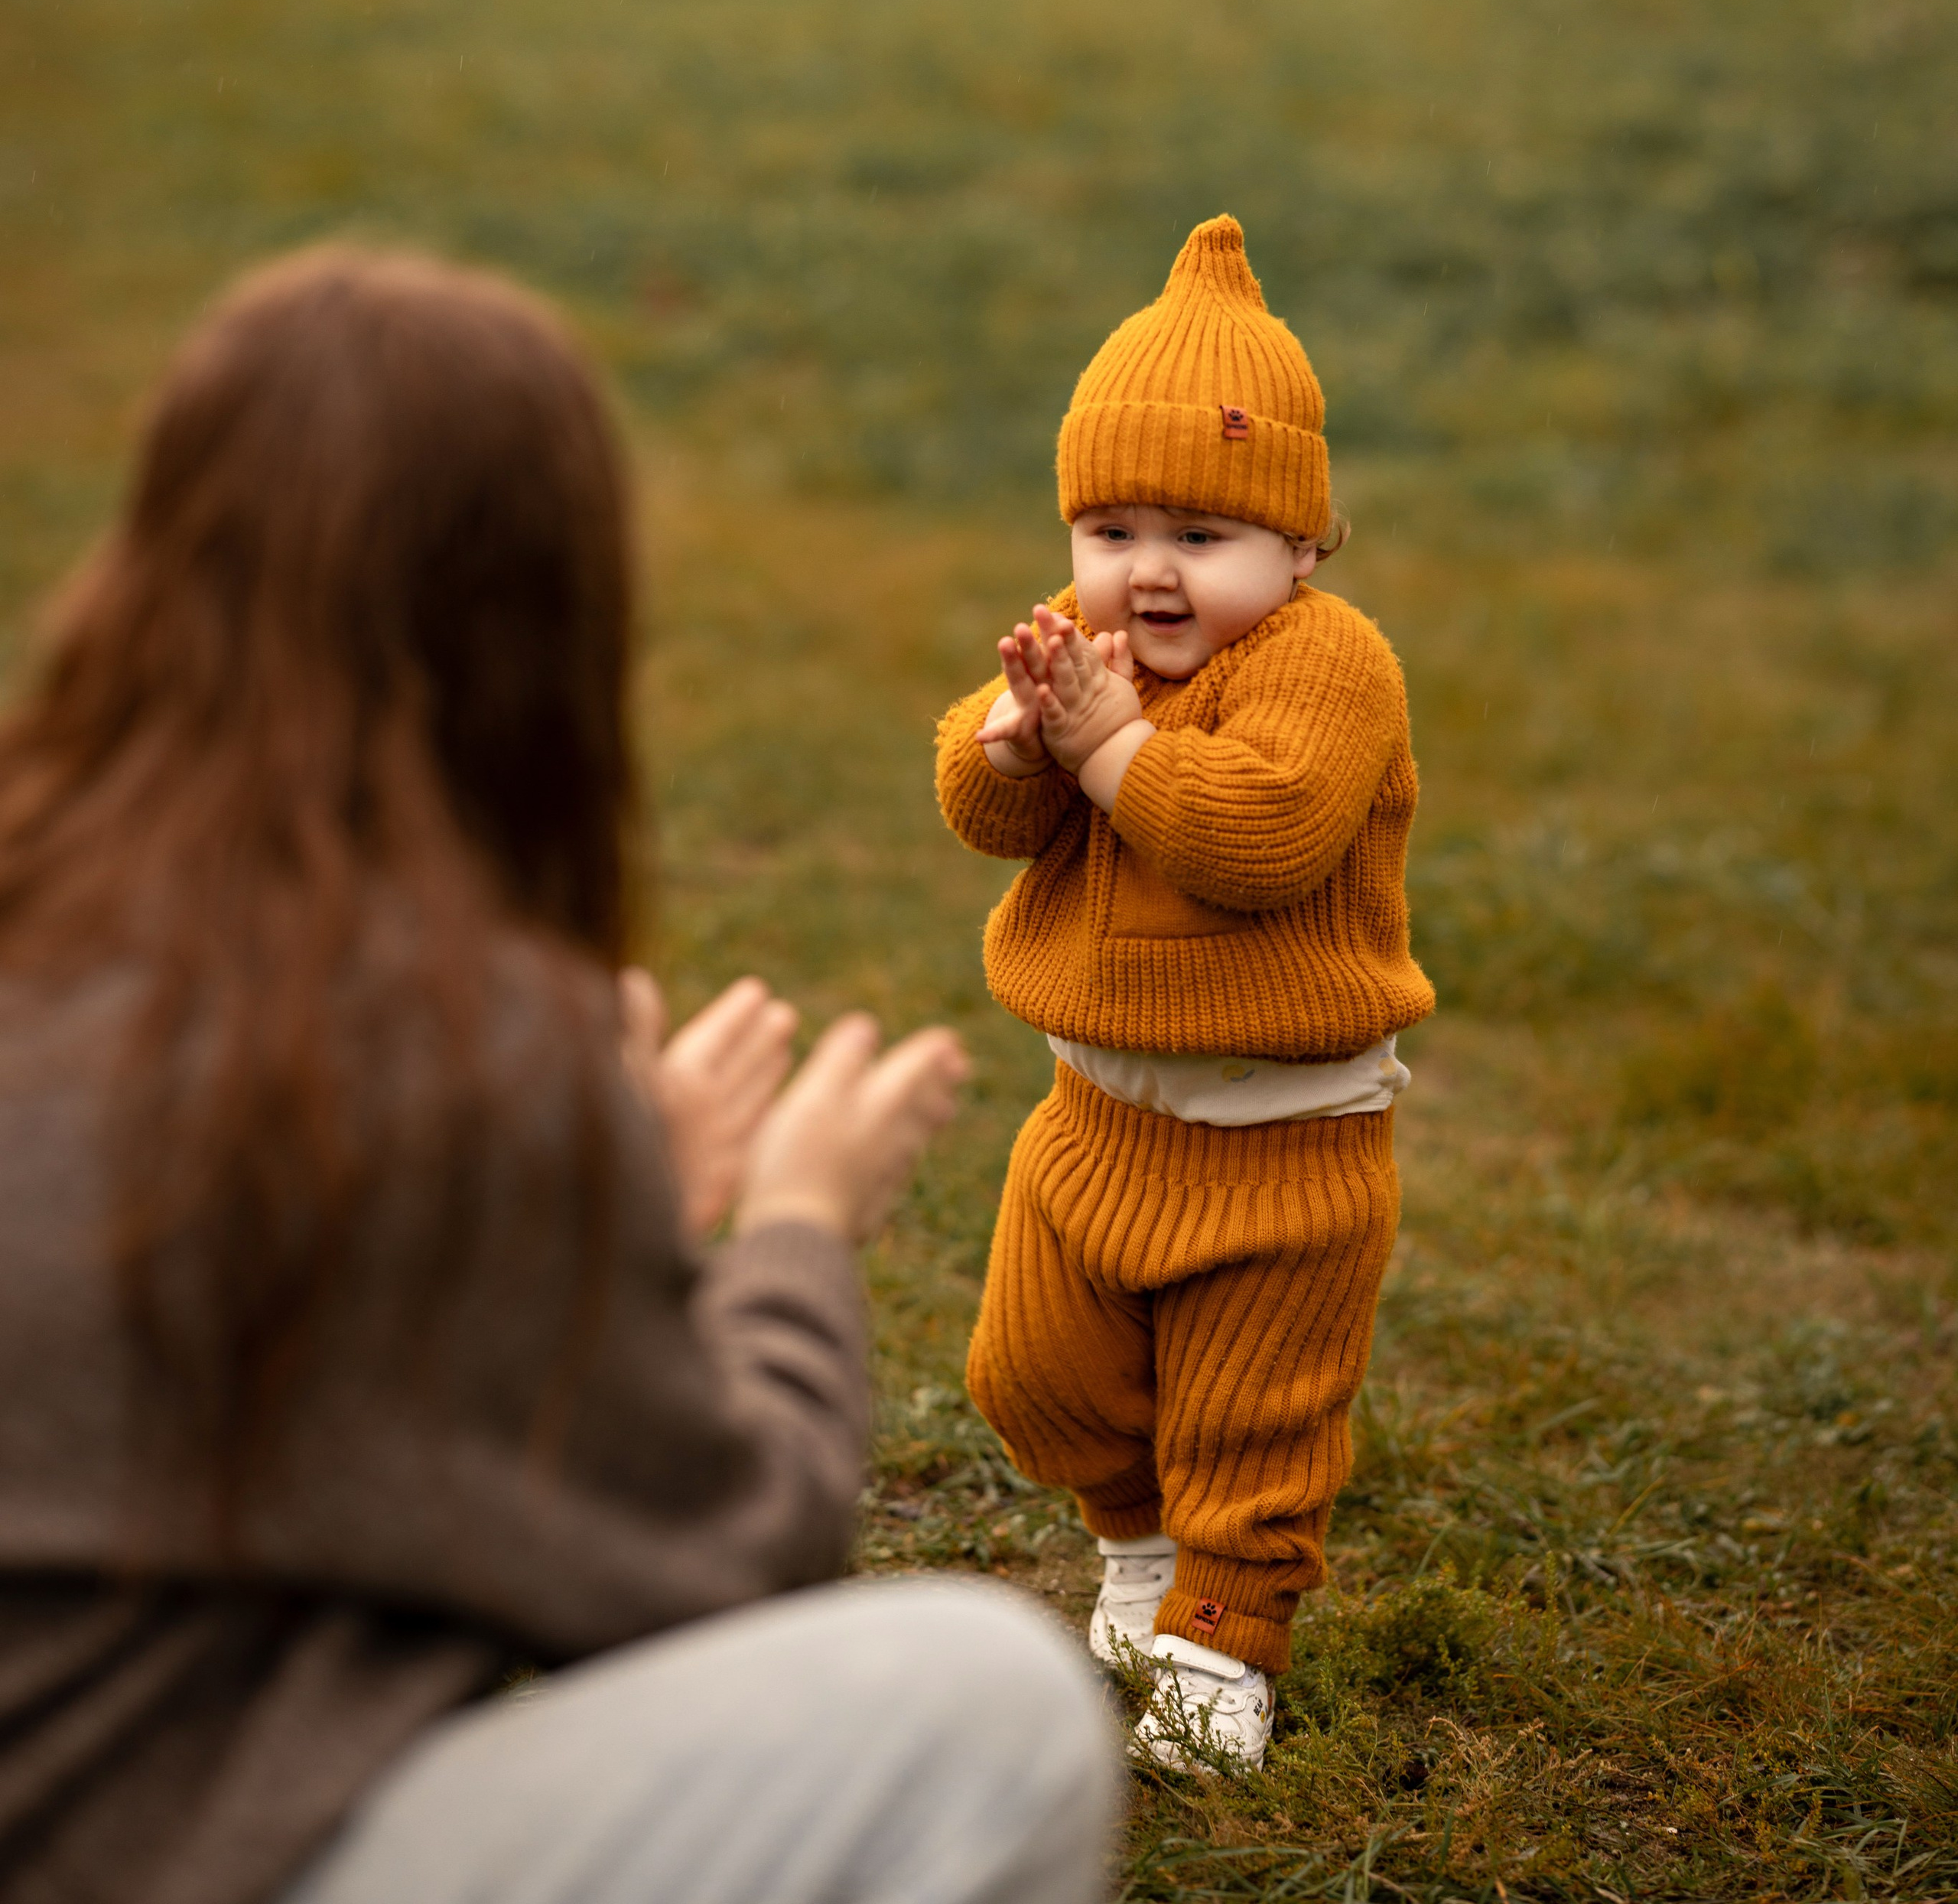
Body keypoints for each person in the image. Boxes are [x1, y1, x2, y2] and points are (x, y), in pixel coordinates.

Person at [0, 247, 1118, 1904]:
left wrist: (604, 1216)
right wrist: (793, 1234)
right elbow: (713, 1553)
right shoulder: (451, 1041)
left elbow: (307, 1398)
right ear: (540, 619)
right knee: (995, 1706)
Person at [934, 216, 1435, 1770]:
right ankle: (1135, 1540)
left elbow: (1257, 835)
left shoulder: (1325, 664)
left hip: (1278, 1135)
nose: (1149, 566)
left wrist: (1103, 746)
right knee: (1028, 1369)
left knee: (1251, 1407)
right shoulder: (1083, 645)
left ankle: (1223, 1625)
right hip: (1095, 1110)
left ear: (1299, 548)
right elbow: (981, 800)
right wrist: (1014, 744)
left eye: (1201, 533)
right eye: (1112, 525)